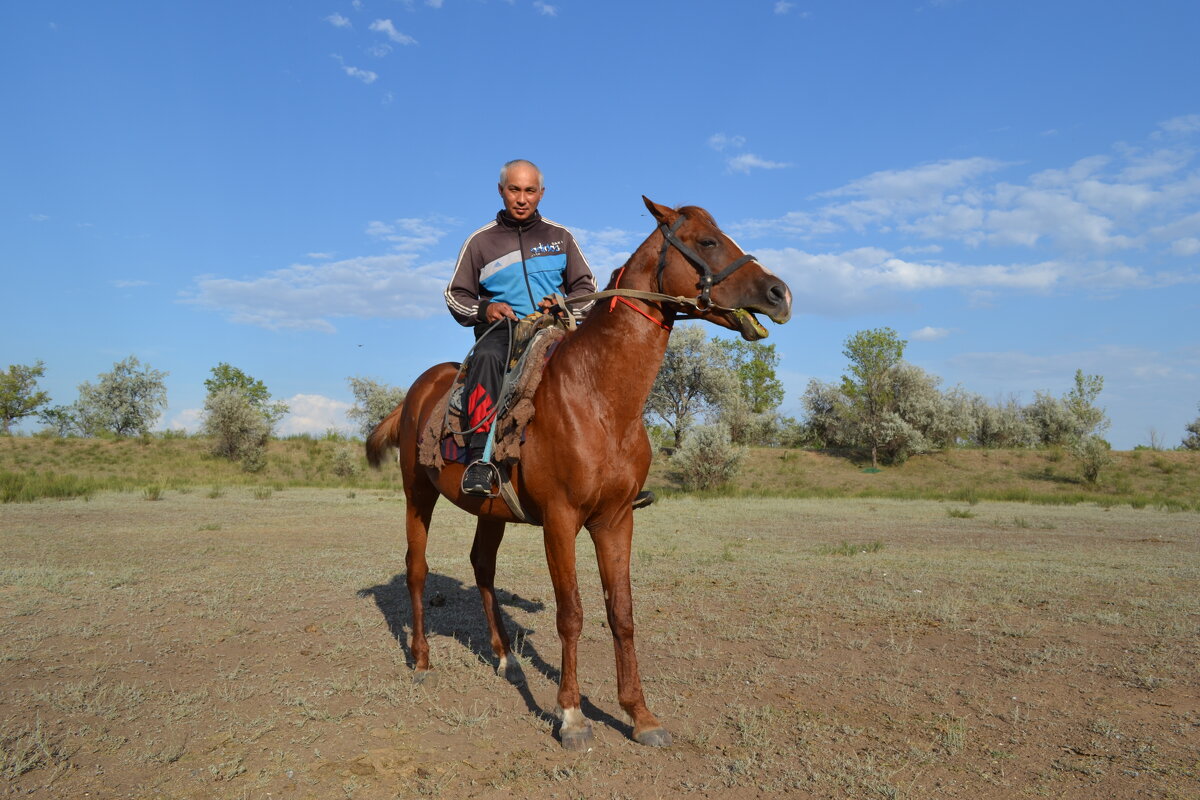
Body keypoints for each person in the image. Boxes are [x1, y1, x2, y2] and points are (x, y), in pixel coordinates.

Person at [445, 159, 597, 496]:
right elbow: (456, 295)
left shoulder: (561, 237)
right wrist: (486, 308)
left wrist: (563, 302)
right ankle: (479, 461)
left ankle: (615, 469)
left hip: (556, 328)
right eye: (514, 189)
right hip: (503, 331)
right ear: (501, 191)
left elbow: (587, 289)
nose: (522, 198)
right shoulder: (480, 241)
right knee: (485, 356)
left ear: (541, 193)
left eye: (530, 190)